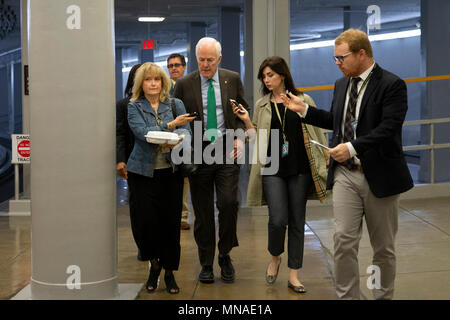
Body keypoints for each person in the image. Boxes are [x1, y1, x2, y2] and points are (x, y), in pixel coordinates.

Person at [281, 28, 414, 300]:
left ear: (361, 53)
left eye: (341, 58)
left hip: (379, 177)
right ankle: (348, 297)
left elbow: (388, 128)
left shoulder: (392, 85)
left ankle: (381, 296)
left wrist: (351, 147)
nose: (338, 63)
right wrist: (304, 111)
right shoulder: (342, 84)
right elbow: (337, 121)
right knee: (342, 241)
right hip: (345, 176)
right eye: (336, 59)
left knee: (383, 249)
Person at [232, 56, 329, 293]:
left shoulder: (303, 100)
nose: (266, 80)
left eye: (270, 75)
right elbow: (256, 139)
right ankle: (275, 257)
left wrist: (326, 157)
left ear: (282, 76)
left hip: (300, 169)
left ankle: (294, 274)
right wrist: (246, 122)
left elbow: (316, 131)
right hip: (272, 169)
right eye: (264, 76)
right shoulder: (262, 105)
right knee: (277, 220)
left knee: (297, 221)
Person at [173, 37, 250, 284]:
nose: (205, 65)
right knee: (203, 211)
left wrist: (240, 137)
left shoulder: (232, 78)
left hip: (227, 149)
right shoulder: (184, 84)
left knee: (228, 203)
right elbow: (177, 116)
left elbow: (241, 112)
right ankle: (206, 262)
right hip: (198, 152)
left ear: (219, 59)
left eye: (210, 60)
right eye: (201, 60)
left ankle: (225, 253)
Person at [127, 62, 196, 294]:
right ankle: (154, 264)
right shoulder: (134, 106)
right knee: (147, 224)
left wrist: (178, 133)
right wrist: (171, 126)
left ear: (163, 82)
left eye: (157, 79)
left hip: (171, 173)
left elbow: (186, 133)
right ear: (141, 84)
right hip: (142, 174)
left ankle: (169, 272)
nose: (153, 83)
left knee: (170, 224)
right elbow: (143, 133)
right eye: (148, 80)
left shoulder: (175, 104)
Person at [115, 63, 143, 260]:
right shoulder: (123, 105)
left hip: (162, 165)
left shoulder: (167, 103)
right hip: (135, 164)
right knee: (138, 207)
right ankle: (143, 245)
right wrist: (120, 161)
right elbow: (120, 134)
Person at [167, 53, 190, 230]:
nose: (173, 68)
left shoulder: (191, 86)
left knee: (186, 178)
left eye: (177, 65)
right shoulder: (163, 87)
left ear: (184, 67)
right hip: (167, 136)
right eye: (170, 65)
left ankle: (182, 216)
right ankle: (170, 214)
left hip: (188, 136)